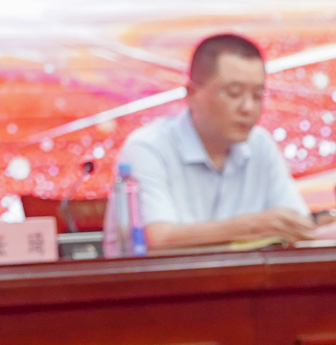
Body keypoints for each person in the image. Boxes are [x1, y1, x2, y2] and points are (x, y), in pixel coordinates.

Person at [119, 34, 315, 250]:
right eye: (233, 93)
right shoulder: (148, 148)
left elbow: (298, 225)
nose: (248, 108)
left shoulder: (260, 144)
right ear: (192, 94)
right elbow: (157, 240)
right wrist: (254, 226)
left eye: (257, 96)